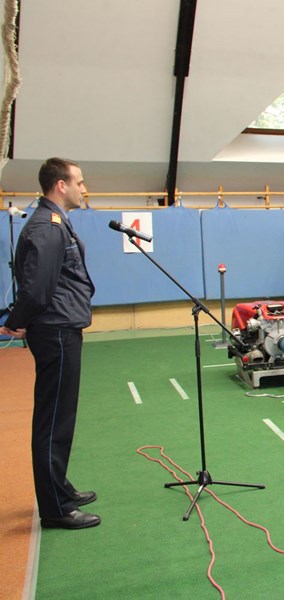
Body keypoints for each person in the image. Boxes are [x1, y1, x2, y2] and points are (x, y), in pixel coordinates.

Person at [0, 158, 100, 529]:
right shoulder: (47, 226)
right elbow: (38, 288)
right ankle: (56, 507)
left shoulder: (54, 222)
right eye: (79, 182)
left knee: (60, 416)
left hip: (60, 326)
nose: (83, 189)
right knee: (53, 419)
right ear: (61, 185)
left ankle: (60, 488)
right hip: (55, 329)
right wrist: (16, 321)